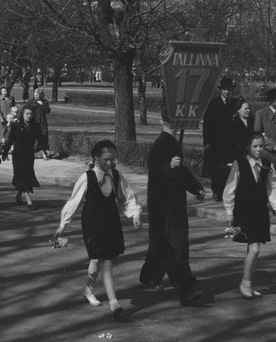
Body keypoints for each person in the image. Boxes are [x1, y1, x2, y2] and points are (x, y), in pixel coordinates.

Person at [51, 140, 141, 318]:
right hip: (92, 223)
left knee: (96, 262)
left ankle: (88, 289)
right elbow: (74, 201)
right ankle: (114, 304)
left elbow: (127, 196)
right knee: (105, 261)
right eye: (106, 159)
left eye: (113, 159)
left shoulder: (116, 175)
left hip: (110, 221)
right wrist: (63, 224)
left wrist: (134, 214)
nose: (110, 163)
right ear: (96, 158)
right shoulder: (87, 177)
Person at [139, 108, 206, 305]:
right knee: (177, 248)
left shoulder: (173, 143)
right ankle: (185, 289)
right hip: (163, 205)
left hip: (174, 203)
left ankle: (151, 274)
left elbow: (181, 172)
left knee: (163, 245)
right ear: (167, 122)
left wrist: (196, 189)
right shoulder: (161, 144)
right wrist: (169, 166)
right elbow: (156, 173)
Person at [223, 133, 276, 299]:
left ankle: (248, 282)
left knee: (253, 248)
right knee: (255, 249)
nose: (258, 149)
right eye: (255, 146)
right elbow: (230, 188)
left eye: (261, 146)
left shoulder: (266, 164)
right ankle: (245, 283)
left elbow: (273, 187)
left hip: (259, 211)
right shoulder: (239, 164)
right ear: (248, 147)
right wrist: (229, 211)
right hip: (244, 211)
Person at [1, 105, 49, 210]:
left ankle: (19, 195)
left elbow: (41, 138)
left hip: (29, 155)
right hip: (18, 154)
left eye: (31, 114)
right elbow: (9, 140)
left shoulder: (35, 126)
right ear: (22, 114)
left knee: (26, 175)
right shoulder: (15, 125)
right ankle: (29, 201)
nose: (29, 116)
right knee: (21, 175)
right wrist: (4, 153)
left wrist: (45, 149)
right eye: (27, 113)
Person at [202, 77, 239, 202]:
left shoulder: (235, 103)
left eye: (229, 90)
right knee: (216, 168)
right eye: (225, 89)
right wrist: (207, 141)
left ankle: (227, 191)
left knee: (228, 168)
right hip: (216, 141)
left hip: (230, 141)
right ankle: (216, 191)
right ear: (220, 90)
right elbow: (207, 124)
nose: (227, 92)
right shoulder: (213, 103)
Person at [0, 85, 16, 149]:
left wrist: (13, 117)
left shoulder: (11, 98)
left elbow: (13, 108)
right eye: (3, 91)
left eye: (5, 91)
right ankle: (0, 149)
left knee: (10, 133)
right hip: (2, 119)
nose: (4, 93)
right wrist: (0, 118)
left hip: (9, 118)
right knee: (0, 133)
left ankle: (10, 148)